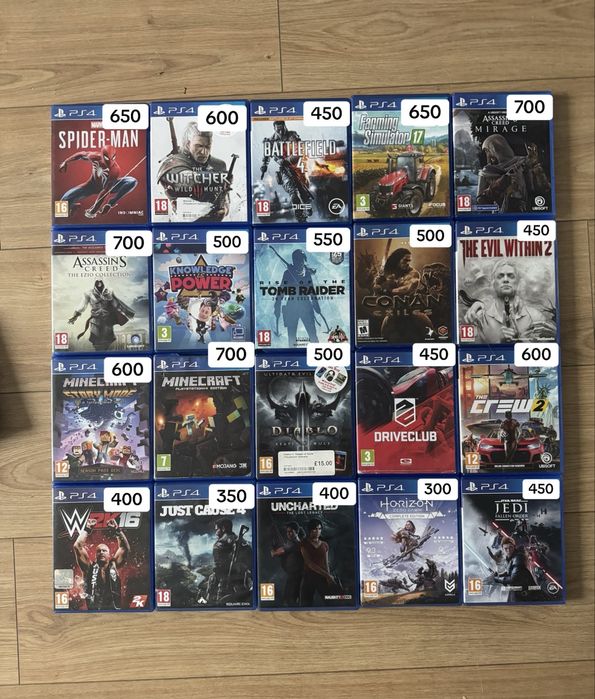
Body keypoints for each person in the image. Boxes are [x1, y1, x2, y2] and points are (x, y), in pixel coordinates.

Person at [463, 259, 555, 343]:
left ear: (518, 282)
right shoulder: (480, 318)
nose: (506, 280)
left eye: (511, 276)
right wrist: (500, 343)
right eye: (500, 276)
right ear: (493, 283)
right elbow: (473, 351)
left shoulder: (535, 317)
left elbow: (546, 351)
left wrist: (519, 341)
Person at [157, 122, 230, 221]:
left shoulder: (218, 165)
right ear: (188, 144)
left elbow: (226, 202)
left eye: (207, 146)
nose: (204, 152)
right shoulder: (174, 162)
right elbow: (187, 179)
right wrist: (217, 177)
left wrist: (224, 209)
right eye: (198, 146)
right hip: (180, 223)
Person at [59, 145, 137, 219]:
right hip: (90, 186)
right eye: (107, 158)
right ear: (102, 156)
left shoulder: (115, 171)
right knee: (62, 204)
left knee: (132, 181)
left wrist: (94, 210)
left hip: (108, 186)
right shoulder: (95, 156)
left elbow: (105, 192)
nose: (110, 162)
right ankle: (73, 206)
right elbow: (81, 154)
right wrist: (65, 161)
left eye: (113, 158)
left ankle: (111, 202)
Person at [73, 518, 130, 610]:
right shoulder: (89, 567)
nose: (101, 552)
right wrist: (87, 529)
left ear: (109, 554)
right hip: (94, 611)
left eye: (104, 550)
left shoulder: (114, 565)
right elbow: (77, 546)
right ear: (96, 555)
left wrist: (117, 530)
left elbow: (124, 548)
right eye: (99, 551)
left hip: (114, 611)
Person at [69, 279, 136, 351]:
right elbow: (83, 305)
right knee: (97, 344)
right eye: (97, 282)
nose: (99, 283)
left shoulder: (109, 292)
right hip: (95, 322)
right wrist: (75, 316)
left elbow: (117, 304)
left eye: (100, 281)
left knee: (107, 342)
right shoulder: (88, 293)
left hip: (107, 322)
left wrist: (127, 313)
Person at [299, 518, 335, 606]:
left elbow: (326, 563)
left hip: (322, 578)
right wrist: (327, 575)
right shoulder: (304, 543)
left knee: (330, 602)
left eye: (319, 529)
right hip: (308, 577)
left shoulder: (324, 545)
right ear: (310, 530)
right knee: (305, 604)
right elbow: (309, 563)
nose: (318, 531)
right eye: (315, 529)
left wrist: (328, 577)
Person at [271, 521, 304, 606]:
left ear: (296, 532)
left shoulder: (297, 544)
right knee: (288, 599)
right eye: (287, 532)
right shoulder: (291, 543)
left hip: (297, 576)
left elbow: (282, 551)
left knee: (291, 599)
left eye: (291, 531)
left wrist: (274, 552)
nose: (288, 534)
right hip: (292, 575)